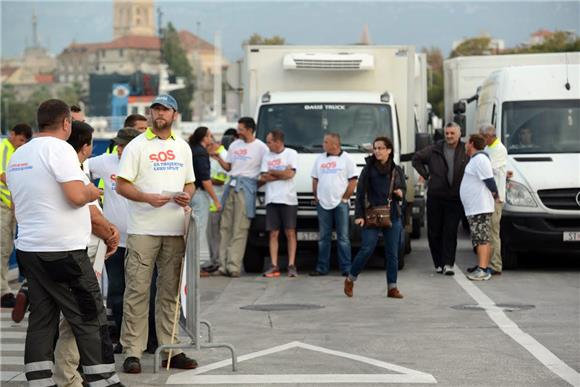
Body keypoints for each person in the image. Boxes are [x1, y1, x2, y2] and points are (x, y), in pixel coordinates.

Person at [6, 99, 123, 386]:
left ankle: (40, 381)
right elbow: (75, 196)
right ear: (67, 123)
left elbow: (18, 206)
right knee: (89, 315)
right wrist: (93, 192)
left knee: (42, 319)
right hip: (63, 250)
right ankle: (104, 380)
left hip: (30, 250)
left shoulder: (19, 155)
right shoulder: (59, 149)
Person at [116, 94, 197, 373]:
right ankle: (132, 351)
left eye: (165, 110)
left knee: (170, 292)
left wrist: (186, 196)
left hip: (174, 229)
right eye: (156, 110)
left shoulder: (183, 147)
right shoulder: (136, 146)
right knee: (137, 290)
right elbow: (122, 186)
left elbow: (190, 183)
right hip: (143, 229)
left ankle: (170, 349)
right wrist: (146, 197)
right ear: (150, 114)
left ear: (175, 114)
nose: (159, 114)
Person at [54, 120, 120, 387]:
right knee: (81, 316)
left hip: (57, 250)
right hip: (84, 252)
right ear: (85, 146)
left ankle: (67, 373)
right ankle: (68, 377)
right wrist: (112, 234)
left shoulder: (62, 170)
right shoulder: (77, 174)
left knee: (66, 317)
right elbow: (92, 215)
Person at [88, 127, 142, 352]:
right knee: (117, 291)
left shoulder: (146, 163)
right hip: (114, 242)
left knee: (140, 292)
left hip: (141, 240)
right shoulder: (106, 162)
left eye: (124, 145)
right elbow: (78, 166)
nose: (119, 149)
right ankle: (121, 337)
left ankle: (144, 338)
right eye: (118, 145)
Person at [344, 137, 406, 298]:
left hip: (392, 215)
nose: (377, 151)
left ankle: (392, 288)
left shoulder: (396, 169)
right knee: (367, 249)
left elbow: (402, 191)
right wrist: (359, 215)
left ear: (389, 150)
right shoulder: (368, 169)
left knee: (392, 253)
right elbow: (360, 195)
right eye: (375, 148)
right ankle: (350, 278)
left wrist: (400, 194)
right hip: (371, 215)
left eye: (380, 148)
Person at [211, 117, 268, 277]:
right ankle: (222, 265)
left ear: (250, 130)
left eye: (241, 129)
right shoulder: (235, 145)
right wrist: (219, 159)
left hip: (246, 187)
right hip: (232, 186)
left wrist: (253, 187)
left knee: (240, 228)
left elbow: (264, 173)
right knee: (225, 227)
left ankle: (234, 265)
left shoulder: (261, 147)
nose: (238, 131)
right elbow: (229, 167)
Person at [412, 122, 468, 275]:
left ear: (459, 134)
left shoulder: (465, 150)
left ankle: (448, 264)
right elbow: (416, 158)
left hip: (455, 197)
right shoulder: (434, 149)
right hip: (436, 196)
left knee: (450, 231)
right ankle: (438, 263)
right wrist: (426, 175)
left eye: (452, 133)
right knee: (434, 231)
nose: (449, 136)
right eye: (447, 133)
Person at [310, 132, 357, 277]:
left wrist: (345, 198)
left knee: (343, 237)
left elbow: (353, 180)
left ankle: (346, 268)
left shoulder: (347, 159)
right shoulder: (319, 159)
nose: (323, 144)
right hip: (323, 204)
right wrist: (316, 196)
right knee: (324, 238)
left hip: (340, 204)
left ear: (335, 144)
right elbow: (315, 179)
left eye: (325, 142)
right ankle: (322, 268)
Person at [259, 130, 299, 278]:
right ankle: (274, 265)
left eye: (269, 141)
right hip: (271, 199)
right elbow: (263, 177)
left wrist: (273, 172)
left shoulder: (291, 153)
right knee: (273, 233)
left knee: (290, 232)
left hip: (288, 199)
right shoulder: (266, 156)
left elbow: (291, 174)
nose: (267, 144)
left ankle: (291, 265)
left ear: (278, 142)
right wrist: (281, 173)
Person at [0, 123, 32, 308]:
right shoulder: (3, 147)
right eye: (20, 140)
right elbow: (4, 176)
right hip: (3, 205)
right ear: (12, 134)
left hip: (12, 206)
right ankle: (3, 293)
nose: (22, 144)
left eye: (25, 142)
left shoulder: (18, 151)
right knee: (3, 248)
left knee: (8, 248)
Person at [460, 134, 499, 281]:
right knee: (479, 238)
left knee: (482, 239)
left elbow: (489, 180)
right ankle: (481, 266)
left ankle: (483, 270)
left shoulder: (481, 159)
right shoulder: (476, 159)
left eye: (466, 143)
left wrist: (496, 195)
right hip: (475, 208)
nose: (465, 145)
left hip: (480, 207)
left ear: (471, 144)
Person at [469, 125, 507, 275]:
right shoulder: (488, 148)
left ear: (490, 136)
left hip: (495, 198)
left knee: (492, 233)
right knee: (484, 233)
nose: (481, 141)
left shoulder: (498, 149)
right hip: (487, 197)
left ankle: (495, 264)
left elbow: (488, 170)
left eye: (483, 138)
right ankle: (484, 263)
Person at [188, 127, 222, 275]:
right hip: (199, 194)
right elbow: (205, 179)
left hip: (189, 193)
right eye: (210, 136)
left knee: (191, 231)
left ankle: (192, 266)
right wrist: (216, 200)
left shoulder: (192, 150)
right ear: (204, 138)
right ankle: (195, 268)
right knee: (198, 232)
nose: (212, 139)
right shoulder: (201, 153)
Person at [205, 136, 229, 273]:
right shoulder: (212, 155)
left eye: (207, 145)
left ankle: (218, 261)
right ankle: (214, 259)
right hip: (211, 201)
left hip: (218, 201)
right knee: (211, 234)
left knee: (216, 235)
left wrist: (203, 179)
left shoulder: (223, 155)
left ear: (213, 144)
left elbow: (220, 180)